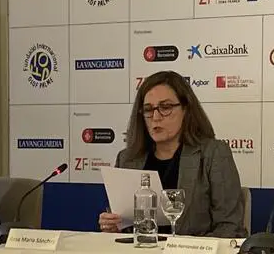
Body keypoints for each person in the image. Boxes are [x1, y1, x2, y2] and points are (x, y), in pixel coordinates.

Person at [99, 70, 247, 238]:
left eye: (165, 107)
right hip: (140, 251)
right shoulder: (127, 159)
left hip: (192, 253)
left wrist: (187, 248)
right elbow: (125, 227)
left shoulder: (213, 154)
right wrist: (113, 227)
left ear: (185, 109)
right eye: (148, 109)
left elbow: (230, 227)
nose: (156, 117)